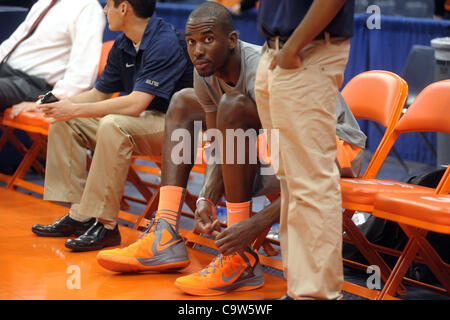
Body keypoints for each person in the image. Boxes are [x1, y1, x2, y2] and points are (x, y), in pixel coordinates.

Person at [96, 2, 266, 296]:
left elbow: (304, 175)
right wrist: (207, 198)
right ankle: (165, 232)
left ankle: (239, 256)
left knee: (234, 105)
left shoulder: (262, 73)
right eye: (191, 42)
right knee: (183, 100)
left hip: (328, 151)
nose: (197, 50)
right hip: (261, 146)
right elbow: (219, 145)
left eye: (208, 40)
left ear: (232, 41)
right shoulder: (205, 72)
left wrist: (253, 226)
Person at [30, 0, 193, 252]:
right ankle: (80, 214)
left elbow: (136, 104)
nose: (105, 11)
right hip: (146, 119)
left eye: (108, 6)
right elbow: (99, 94)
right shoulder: (124, 43)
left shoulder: (164, 42)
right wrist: (61, 104)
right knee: (66, 122)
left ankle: (106, 227)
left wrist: (74, 108)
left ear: (124, 8)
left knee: (113, 124)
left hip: (180, 127)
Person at [254, 0, 355, 300]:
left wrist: (292, 48)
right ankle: (300, 289)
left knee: (310, 180)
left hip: (306, 51)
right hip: (277, 51)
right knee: (292, 179)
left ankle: (317, 294)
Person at [0, 0, 105, 115]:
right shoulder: (44, 2)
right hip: (6, 71)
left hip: (33, 85)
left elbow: (83, 72)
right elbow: (12, 42)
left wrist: (43, 102)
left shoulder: (88, 8)